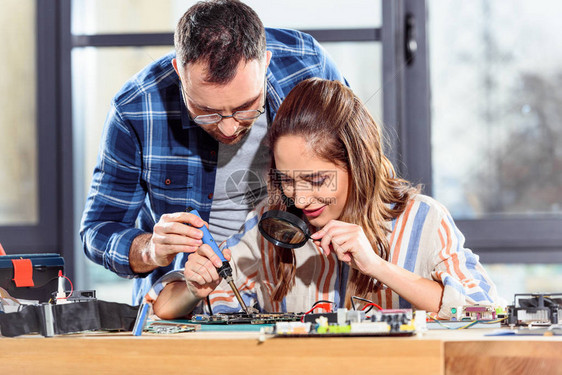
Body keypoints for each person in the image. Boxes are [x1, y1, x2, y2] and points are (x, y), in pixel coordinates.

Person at [150, 78, 500, 320]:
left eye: (317, 179)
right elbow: (162, 308)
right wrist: (195, 289)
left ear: (358, 165)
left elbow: (483, 311)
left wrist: (378, 267)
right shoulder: (270, 223)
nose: (300, 198)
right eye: (287, 180)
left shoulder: (423, 220)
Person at [80, 0, 346, 305]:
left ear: (266, 62)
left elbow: (355, 162)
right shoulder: (136, 109)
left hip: (295, 290)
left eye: (247, 108)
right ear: (180, 71)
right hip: (182, 301)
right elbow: (97, 231)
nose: (230, 129)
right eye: (206, 112)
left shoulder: (308, 65)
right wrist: (150, 249)